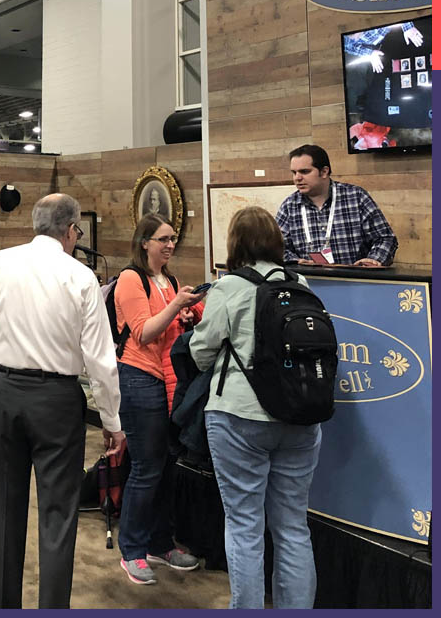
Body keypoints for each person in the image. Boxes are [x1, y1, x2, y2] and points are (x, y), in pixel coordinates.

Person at [0, 193, 125, 609]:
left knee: (2, 510)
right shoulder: (80, 277)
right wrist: (112, 421)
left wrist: (6, 334)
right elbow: (101, 361)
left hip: (5, 392)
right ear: (70, 230)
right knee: (58, 515)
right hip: (57, 399)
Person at [189, 206, 322, 609]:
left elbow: (201, 352)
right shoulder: (300, 283)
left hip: (238, 417)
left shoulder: (229, 287)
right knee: (293, 527)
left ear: (235, 243)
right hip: (301, 417)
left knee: (245, 526)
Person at [114, 214, 205, 585]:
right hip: (139, 380)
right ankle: (132, 551)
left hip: (170, 383)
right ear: (144, 242)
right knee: (146, 468)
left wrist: (189, 313)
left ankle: (160, 543)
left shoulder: (170, 281)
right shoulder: (130, 279)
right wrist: (174, 308)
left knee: (166, 468)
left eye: (173, 239)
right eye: (163, 239)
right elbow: (144, 332)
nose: (170, 245)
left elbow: (172, 330)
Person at [276, 144, 398, 266]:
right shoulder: (289, 206)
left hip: (354, 280)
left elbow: (385, 238)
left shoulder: (356, 197)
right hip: (308, 280)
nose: (297, 178)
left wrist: (373, 260)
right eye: (294, 172)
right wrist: (296, 261)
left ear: (324, 172)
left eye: (304, 171)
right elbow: (275, 248)